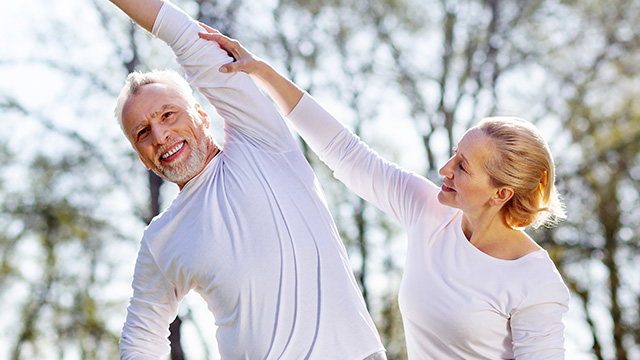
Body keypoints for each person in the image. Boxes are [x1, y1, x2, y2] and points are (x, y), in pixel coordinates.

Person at [199, 29, 572, 359]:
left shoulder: (535, 282)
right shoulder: (429, 211)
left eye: (463, 167)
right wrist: (262, 72)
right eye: (454, 155)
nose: (445, 169)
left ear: (501, 193)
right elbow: (347, 153)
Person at [107, 0, 386, 359]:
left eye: (168, 114)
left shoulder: (261, 141)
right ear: (141, 157)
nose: (160, 135)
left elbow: (183, 36)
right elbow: (140, 340)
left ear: (203, 117)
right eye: (143, 132)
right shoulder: (161, 240)